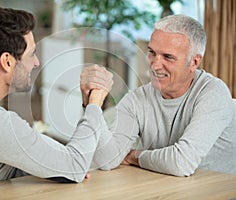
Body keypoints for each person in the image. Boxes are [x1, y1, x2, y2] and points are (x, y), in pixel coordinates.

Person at [0, 7, 113, 192]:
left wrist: (51, 164)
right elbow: (75, 166)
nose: (36, 62)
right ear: (7, 62)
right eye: (31, 54)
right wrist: (95, 101)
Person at [80, 14, 236, 176]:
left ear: (194, 62)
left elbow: (181, 163)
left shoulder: (213, 92)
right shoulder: (137, 99)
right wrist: (92, 104)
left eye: (168, 57)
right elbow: (107, 159)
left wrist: (135, 156)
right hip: (165, 191)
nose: (155, 65)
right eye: (152, 52)